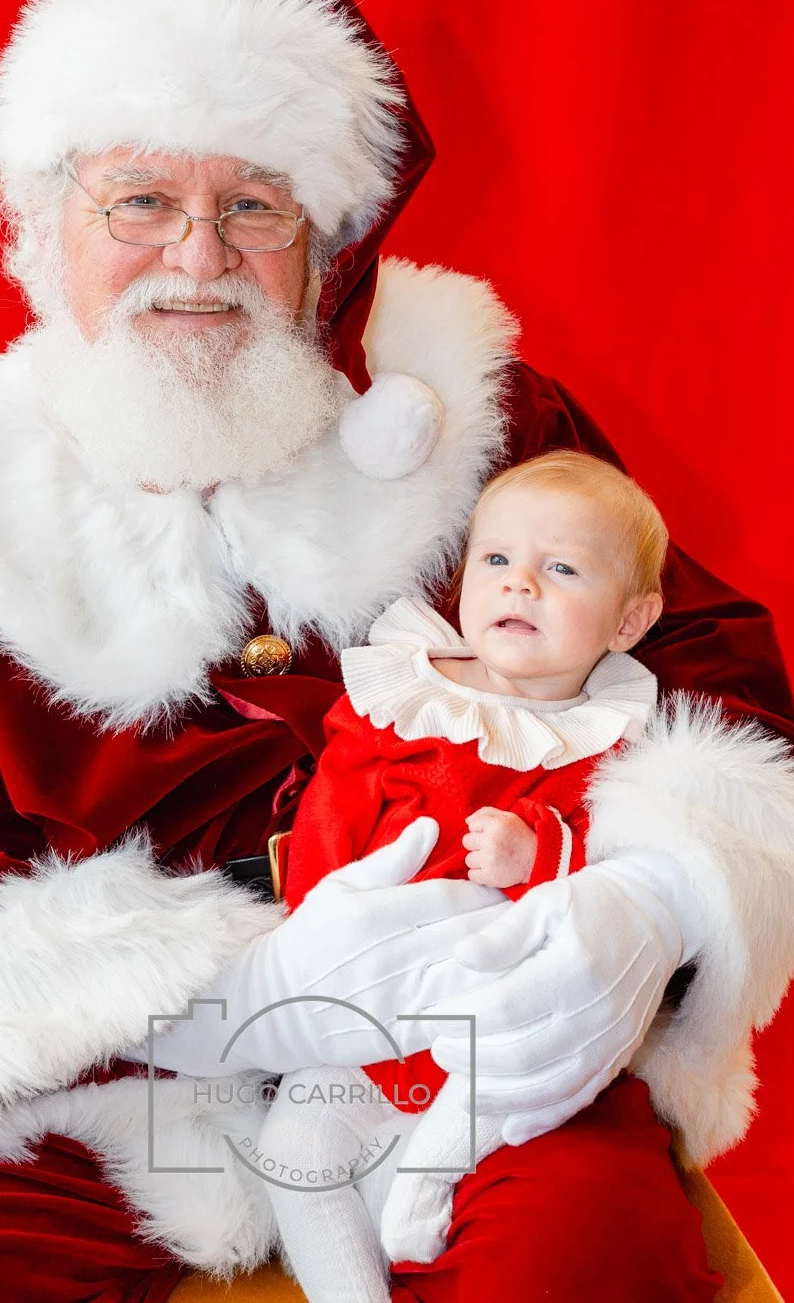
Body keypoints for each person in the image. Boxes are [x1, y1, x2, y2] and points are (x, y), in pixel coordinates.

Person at [0, 0, 794, 1301]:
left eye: (253, 206)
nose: (197, 256)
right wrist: (228, 997)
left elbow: (703, 667)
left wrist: (645, 904)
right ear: (45, 226)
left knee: (583, 1263)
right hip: (138, 1076)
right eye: (140, 201)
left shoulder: (486, 423)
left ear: (330, 237)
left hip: (473, 1034)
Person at [257, 450, 669, 1300]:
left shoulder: (608, 743)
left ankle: (423, 1194)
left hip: (499, 1024)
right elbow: (331, 814)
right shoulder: (406, 698)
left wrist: (540, 855)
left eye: (561, 569)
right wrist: (313, 935)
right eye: (497, 559)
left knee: (481, 1129)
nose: (520, 584)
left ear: (628, 621)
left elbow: (625, 884)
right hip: (366, 1002)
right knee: (294, 1153)